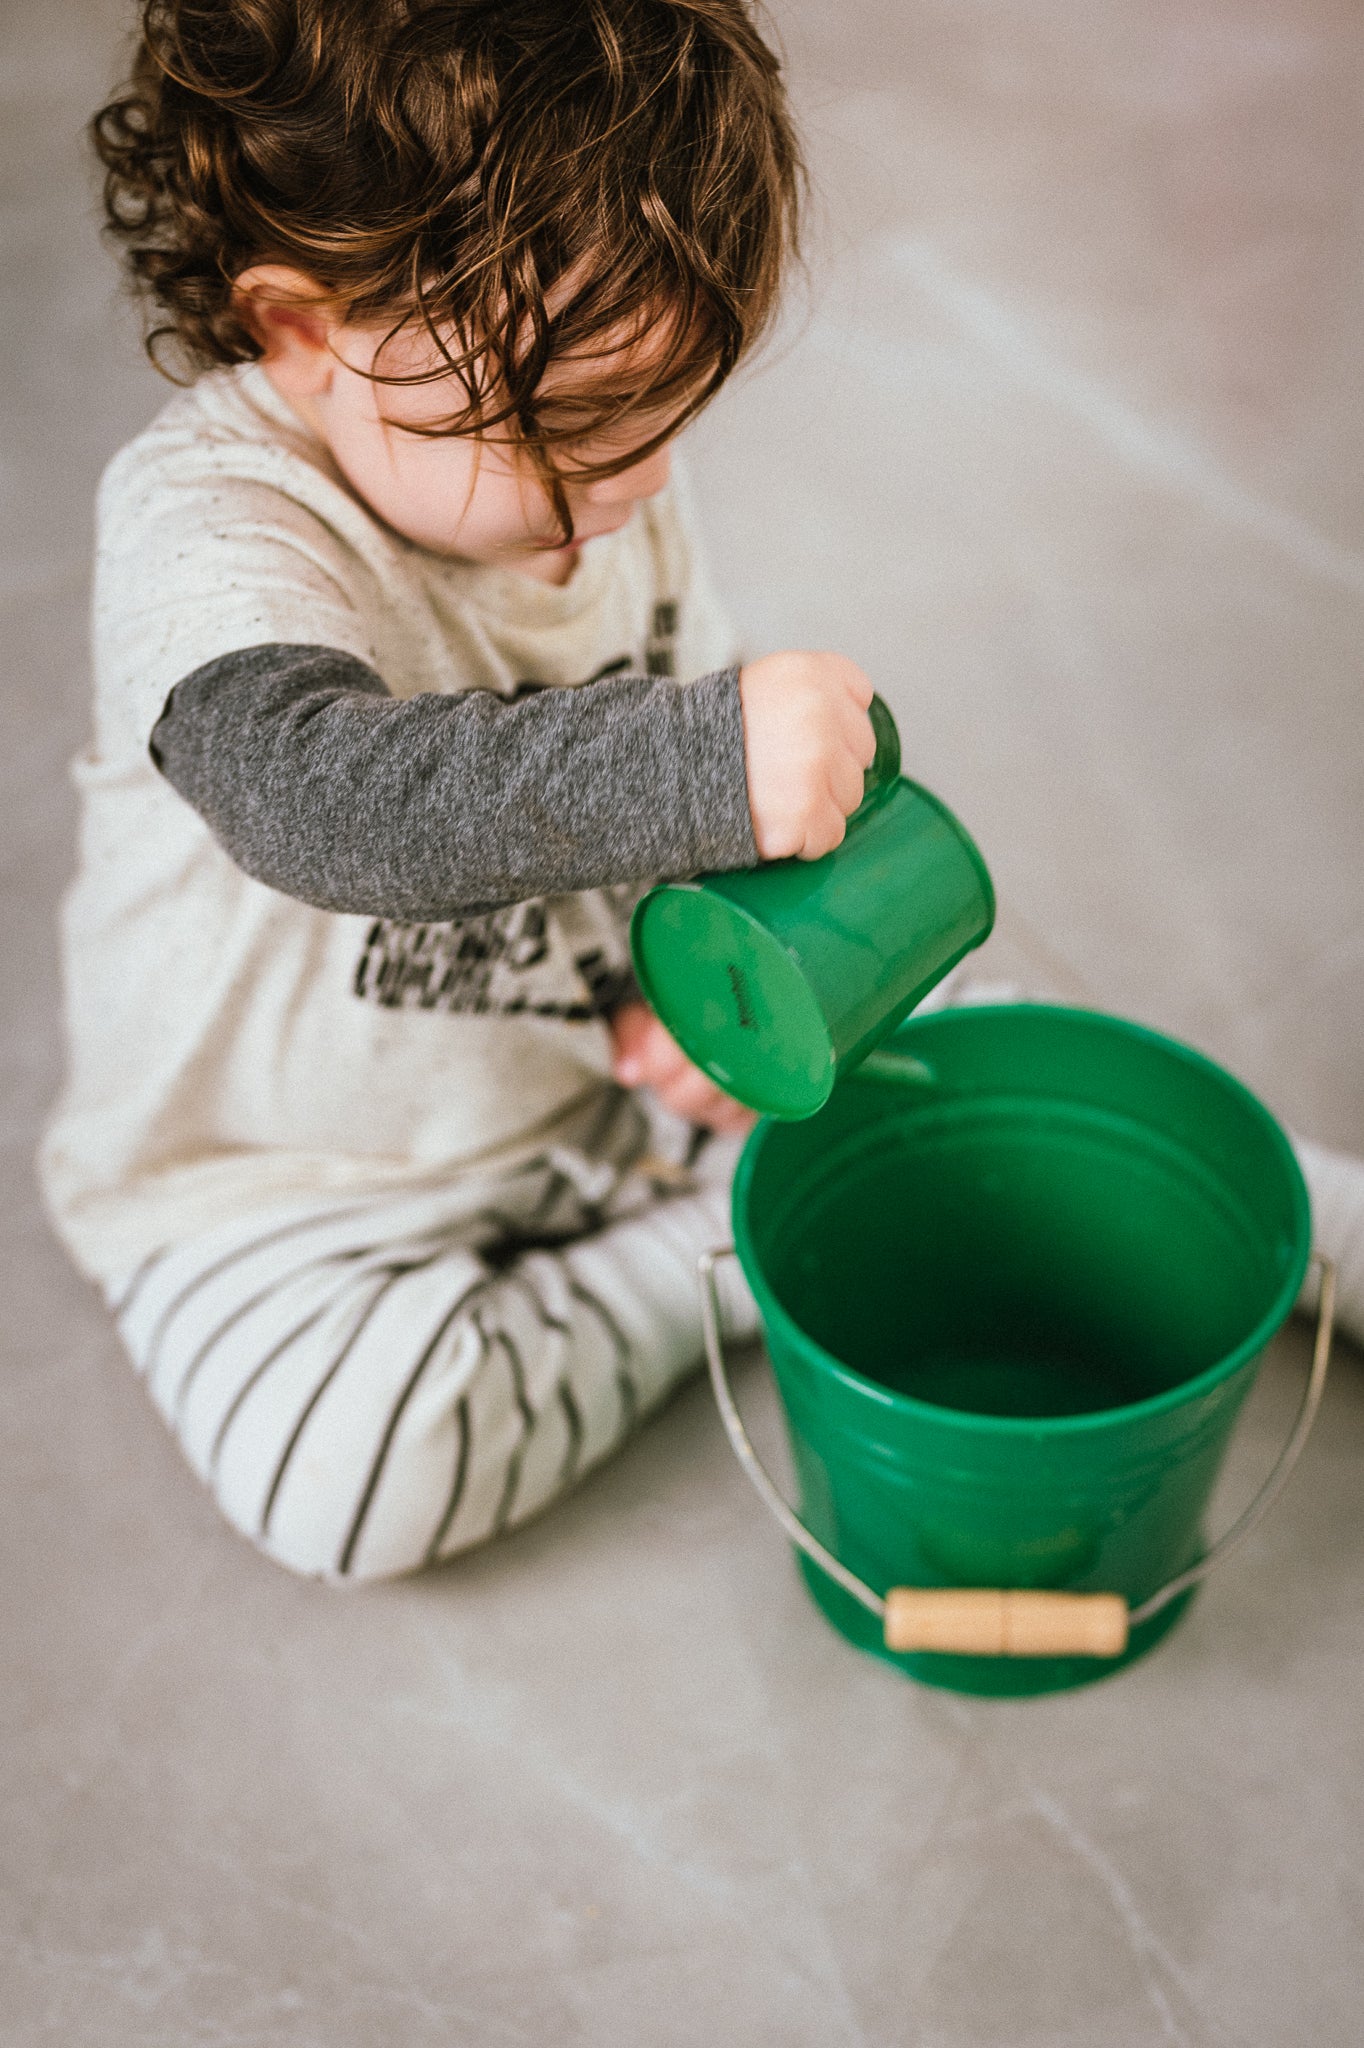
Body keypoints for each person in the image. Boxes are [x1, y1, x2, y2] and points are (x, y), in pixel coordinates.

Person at [40, 0, 884, 1580]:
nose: (635, 480)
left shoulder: (614, 483)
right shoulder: (210, 524)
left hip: (587, 1080)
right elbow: (321, 804)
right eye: (572, 426)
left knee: (933, 1005)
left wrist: (693, 970)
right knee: (357, 1485)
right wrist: (708, 759)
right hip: (294, 1186)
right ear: (304, 329)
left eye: (673, 409)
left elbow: (658, 768)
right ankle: (726, 1255)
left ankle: (1300, 1220)